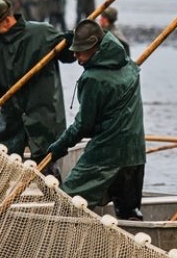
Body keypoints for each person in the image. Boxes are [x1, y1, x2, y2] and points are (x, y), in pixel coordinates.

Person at [46, 19, 146, 220]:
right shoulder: (129, 65)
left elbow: (84, 125)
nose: (76, 57)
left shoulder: (92, 78)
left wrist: (58, 147)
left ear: (96, 48)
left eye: (80, 51)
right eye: (74, 51)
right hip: (135, 152)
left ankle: (69, 248)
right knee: (129, 212)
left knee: (68, 202)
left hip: (107, 154)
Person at [0, 0, 75, 166]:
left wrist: (70, 42)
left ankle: (52, 192)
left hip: (43, 116)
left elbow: (69, 57)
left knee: (46, 171)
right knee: (1, 167)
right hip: (11, 117)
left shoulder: (42, 33)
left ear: (7, 20)